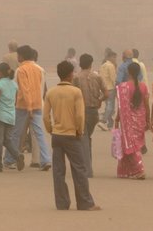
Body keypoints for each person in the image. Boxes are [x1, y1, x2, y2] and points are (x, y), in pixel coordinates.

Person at [45, 60, 100, 211]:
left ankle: (62, 203)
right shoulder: (76, 92)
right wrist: (79, 131)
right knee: (79, 168)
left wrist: (50, 129)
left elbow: (45, 116)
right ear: (70, 74)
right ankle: (84, 202)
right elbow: (80, 116)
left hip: (57, 135)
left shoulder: (51, 92)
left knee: (58, 171)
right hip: (71, 134)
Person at [7, 45, 51, 171]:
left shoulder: (21, 70)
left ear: (22, 56)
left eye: (18, 55)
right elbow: (42, 87)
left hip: (24, 106)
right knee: (39, 134)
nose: (17, 58)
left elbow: (25, 90)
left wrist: (29, 107)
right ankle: (46, 159)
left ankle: (10, 159)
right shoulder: (40, 69)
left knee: (16, 133)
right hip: (38, 104)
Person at [115, 61, 150, 180]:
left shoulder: (123, 87)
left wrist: (117, 119)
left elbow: (121, 106)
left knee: (132, 146)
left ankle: (139, 170)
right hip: (140, 120)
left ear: (128, 72)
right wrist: (148, 120)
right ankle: (126, 171)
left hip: (127, 121)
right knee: (132, 145)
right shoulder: (143, 86)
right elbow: (146, 105)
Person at [74, 53, 105, 177]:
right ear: (91, 64)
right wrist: (99, 101)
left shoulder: (76, 78)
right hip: (94, 113)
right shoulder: (97, 77)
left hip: (82, 111)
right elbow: (106, 93)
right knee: (87, 138)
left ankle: (87, 170)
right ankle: (87, 165)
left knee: (84, 140)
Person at [0, 62, 22, 172]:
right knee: (7, 140)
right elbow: (15, 100)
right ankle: (17, 155)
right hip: (11, 116)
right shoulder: (14, 84)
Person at [99, 50, 118, 128]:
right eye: (114, 57)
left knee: (108, 106)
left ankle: (110, 123)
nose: (115, 59)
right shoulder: (111, 66)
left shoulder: (102, 65)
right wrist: (117, 88)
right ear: (110, 57)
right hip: (110, 88)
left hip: (103, 88)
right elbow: (113, 79)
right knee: (110, 107)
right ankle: (103, 121)